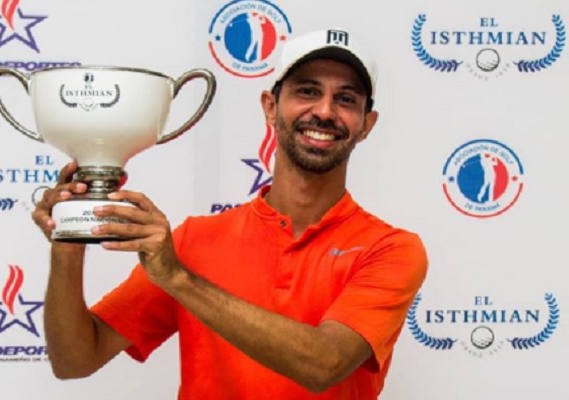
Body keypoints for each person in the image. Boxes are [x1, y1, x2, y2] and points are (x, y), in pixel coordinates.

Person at [32, 28, 429, 400]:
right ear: (270, 107)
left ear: (366, 124)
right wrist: (66, 241)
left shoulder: (391, 249)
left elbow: (325, 363)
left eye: (346, 99)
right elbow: (75, 360)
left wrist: (178, 278)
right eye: (307, 91)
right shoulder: (193, 241)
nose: (324, 111)